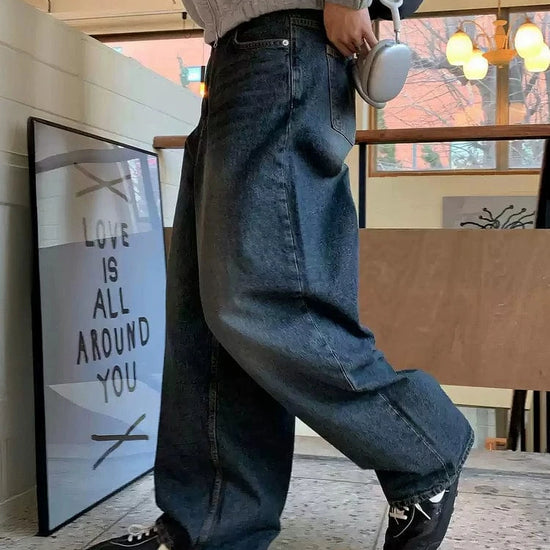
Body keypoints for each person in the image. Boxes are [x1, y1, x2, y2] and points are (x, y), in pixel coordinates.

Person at [90, 1, 474, 549]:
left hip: (284, 40)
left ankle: (423, 447)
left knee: (264, 296)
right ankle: (210, 526)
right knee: (208, 317)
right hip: (239, 51)